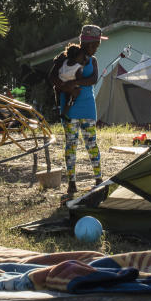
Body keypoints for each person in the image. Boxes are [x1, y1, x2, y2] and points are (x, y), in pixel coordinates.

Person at [48, 25, 107, 195]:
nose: (96, 48)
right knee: (71, 145)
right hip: (69, 109)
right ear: (84, 42)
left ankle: (98, 178)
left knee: (91, 144)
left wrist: (74, 83)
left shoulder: (92, 61)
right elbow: (52, 77)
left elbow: (93, 79)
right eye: (94, 45)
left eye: (97, 46)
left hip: (88, 107)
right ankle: (72, 183)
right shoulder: (65, 57)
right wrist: (65, 88)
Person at [57, 44, 89, 118]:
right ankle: (64, 113)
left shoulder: (65, 62)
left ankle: (58, 107)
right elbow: (79, 79)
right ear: (77, 57)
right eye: (81, 56)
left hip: (61, 83)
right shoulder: (78, 67)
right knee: (71, 99)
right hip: (70, 87)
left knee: (61, 97)